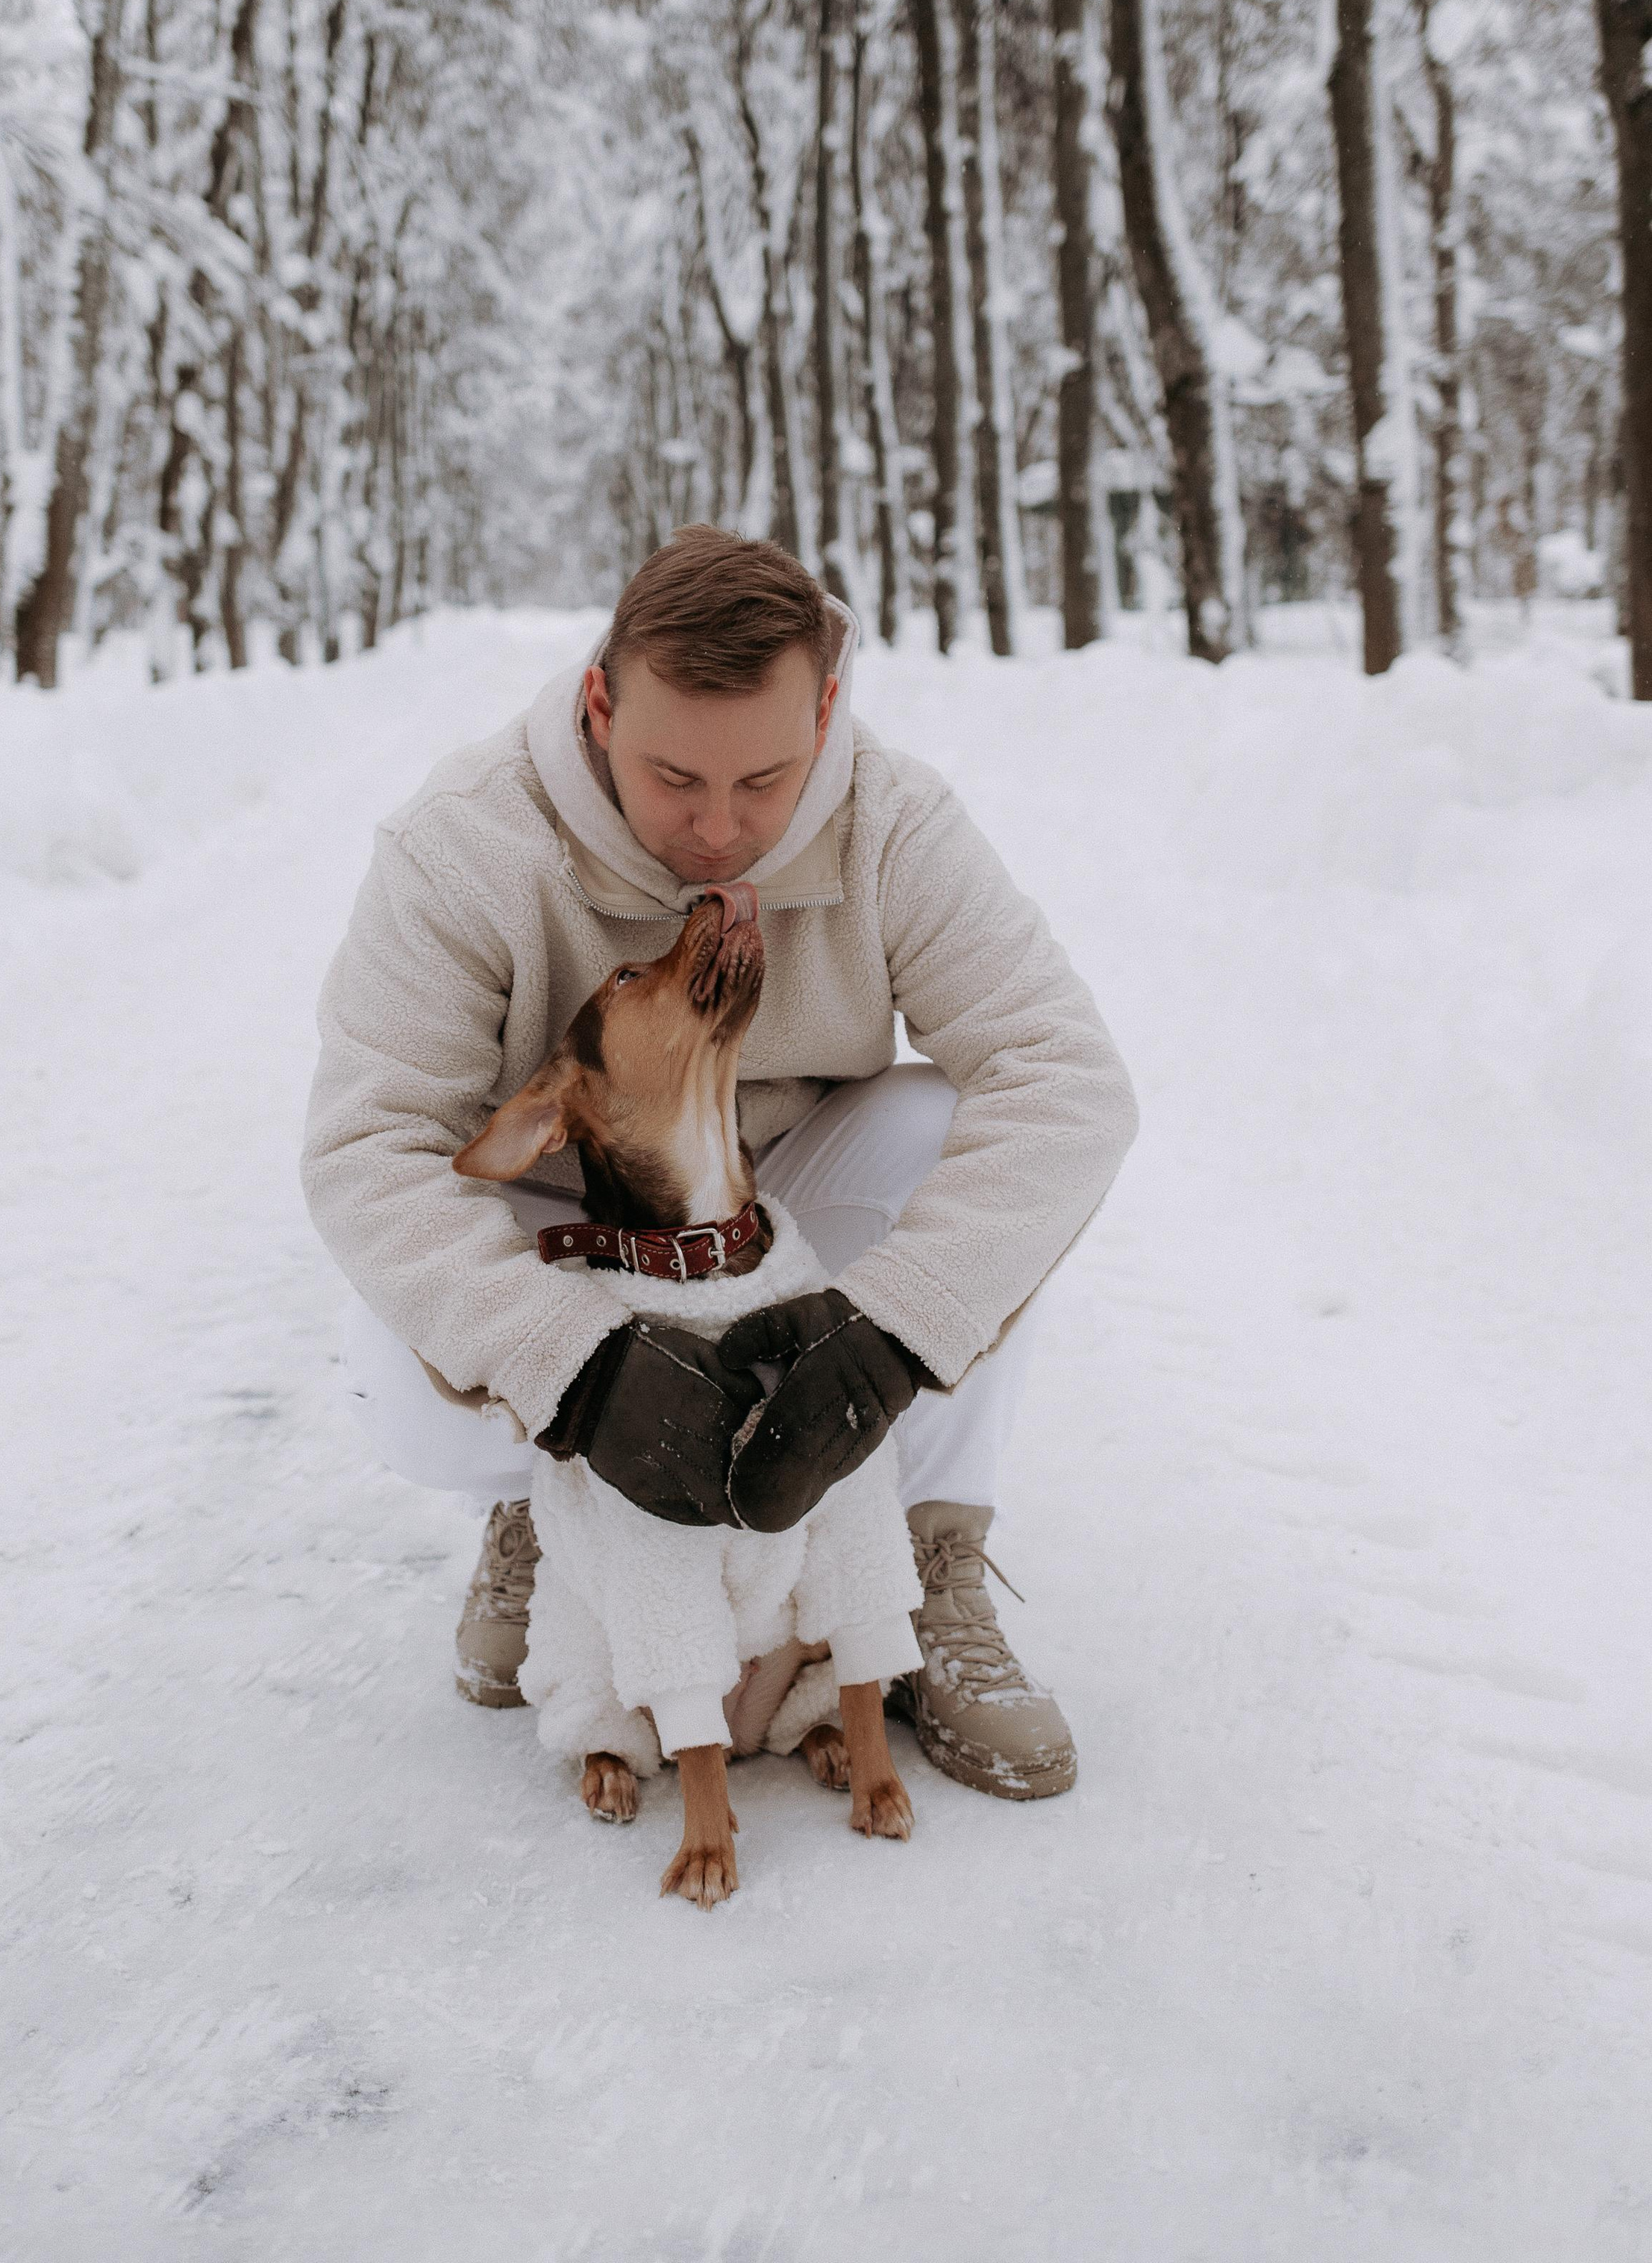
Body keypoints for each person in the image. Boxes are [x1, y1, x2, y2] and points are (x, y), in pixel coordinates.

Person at [302, 528, 1138, 1800]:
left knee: (946, 1126)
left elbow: (1065, 1078)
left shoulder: (893, 824)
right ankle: (553, 1523)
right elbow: (371, 1144)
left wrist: (891, 1334)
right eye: (674, 776)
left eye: (765, 779)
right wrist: (571, 1368)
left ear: (826, 712)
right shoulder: (465, 844)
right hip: (578, 1227)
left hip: (789, 1210)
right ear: (601, 705)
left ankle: (927, 1558)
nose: (719, 827)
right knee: (397, 1341)